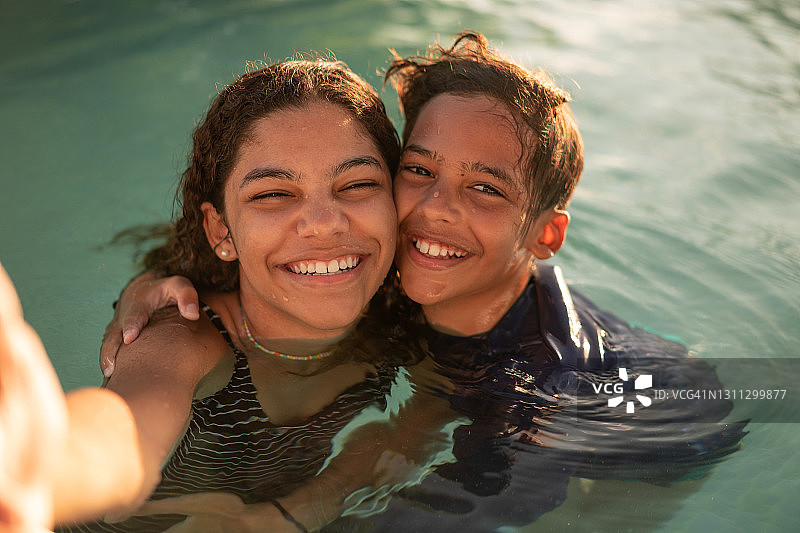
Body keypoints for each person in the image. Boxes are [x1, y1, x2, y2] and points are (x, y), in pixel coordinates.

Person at [100, 32, 745, 530]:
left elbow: (486, 499)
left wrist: (299, 518)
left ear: (544, 235)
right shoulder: (392, 279)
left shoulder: (540, 388)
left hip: (673, 426)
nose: (437, 208)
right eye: (418, 170)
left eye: (485, 189)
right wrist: (158, 285)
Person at [3, 58, 451, 533]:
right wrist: (32, 472)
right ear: (222, 231)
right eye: (273, 195)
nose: (324, 222)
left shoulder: (401, 318)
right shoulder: (186, 337)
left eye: (358, 185)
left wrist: (300, 510)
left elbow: (422, 419)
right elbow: (122, 434)